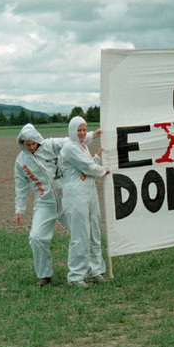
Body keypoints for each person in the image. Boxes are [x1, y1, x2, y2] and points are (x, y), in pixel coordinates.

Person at [14, 123, 91, 286]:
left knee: (80, 233)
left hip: (67, 198)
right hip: (44, 203)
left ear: (37, 140)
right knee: (36, 237)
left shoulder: (50, 145)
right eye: (27, 145)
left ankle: (90, 269)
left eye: (33, 144)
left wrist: (89, 135)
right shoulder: (21, 161)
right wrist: (19, 209)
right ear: (22, 143)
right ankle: (44, 275)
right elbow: (21, 186)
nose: (31, 147)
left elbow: (71, 141)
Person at [59, 116, 109, 287]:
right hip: (75, 196)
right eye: (78, 130)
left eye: (83, 130)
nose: (81, 133)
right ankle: (75, 276)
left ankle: (94, 271)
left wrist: (97, 157)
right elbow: (87, 168)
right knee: (80, 236)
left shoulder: (82, 146)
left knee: (94, 233)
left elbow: (87, 165)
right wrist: (103, 170)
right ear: (72, 131)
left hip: (90, 193)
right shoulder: (69, 148)